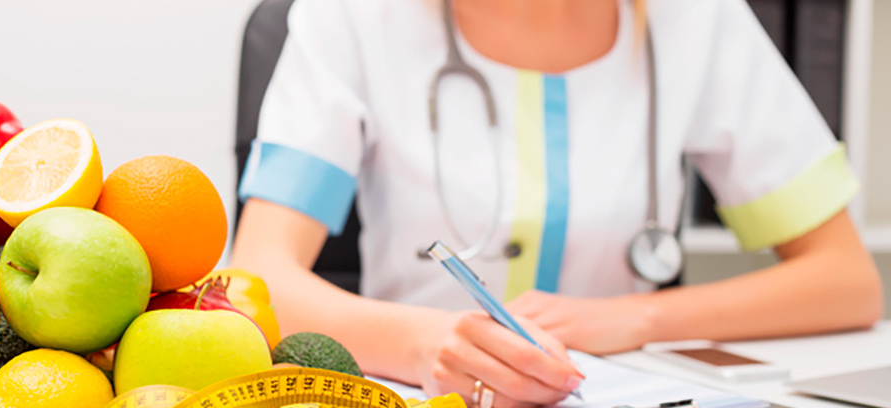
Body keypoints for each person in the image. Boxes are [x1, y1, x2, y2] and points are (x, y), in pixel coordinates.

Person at [230, 0, 884, 406]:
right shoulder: (352, 16)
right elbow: (258, 280)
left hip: (616, 392)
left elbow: (846, 282)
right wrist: (426, 343)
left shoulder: (699, 18)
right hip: (420, 392)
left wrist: (633, 317)